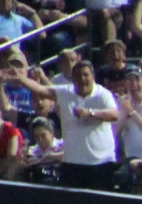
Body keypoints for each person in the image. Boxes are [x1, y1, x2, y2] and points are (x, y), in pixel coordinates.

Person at [50, 57, 123, 190]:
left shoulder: (102, 94)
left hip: (101, 163)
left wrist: (90, 113)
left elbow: (115, 115)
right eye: (78, 75)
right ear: (72, 78)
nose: (82, 79)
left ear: (93, 76)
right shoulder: (65, 92)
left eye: (86, 75)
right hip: (72, 163)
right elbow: (41, 90)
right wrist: (21, 79)